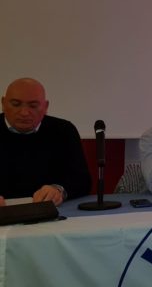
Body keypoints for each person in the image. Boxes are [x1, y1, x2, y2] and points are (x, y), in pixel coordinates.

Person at [0, 78, 91, 206]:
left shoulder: (63, 130)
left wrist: (59, 190)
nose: (24, 112)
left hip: (51, 211)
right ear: (3, 103)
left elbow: (82, 180)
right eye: (16, 104)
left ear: (45, 107)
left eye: (33, 106)